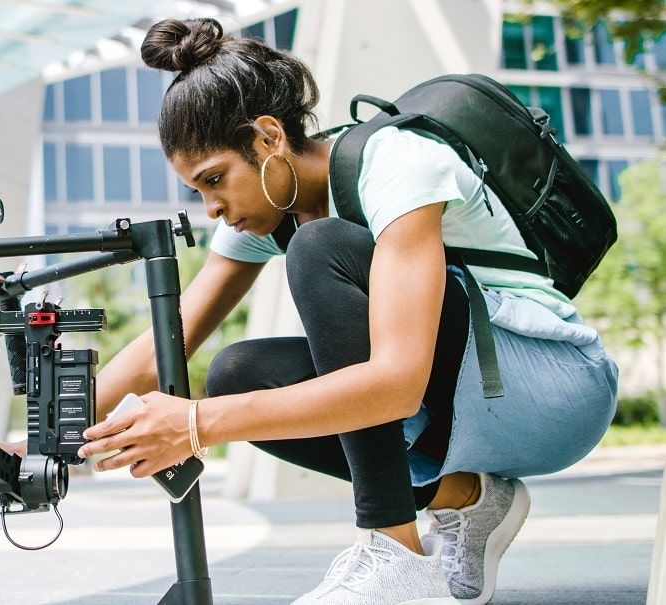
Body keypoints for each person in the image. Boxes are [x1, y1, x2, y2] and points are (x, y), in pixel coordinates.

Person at [60, 17, 619, 605]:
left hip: (556, 388)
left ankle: (395, 555)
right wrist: (44, 443)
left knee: (320, 247)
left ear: (268, 138)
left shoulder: (393, 163)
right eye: (197, 191)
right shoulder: (270, 209)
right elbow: (162, 347)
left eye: (215, 179)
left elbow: (397, 386)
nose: (212, 208)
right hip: (475, 401)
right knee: (240, 373)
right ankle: (468, 497)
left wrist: (199, 424)